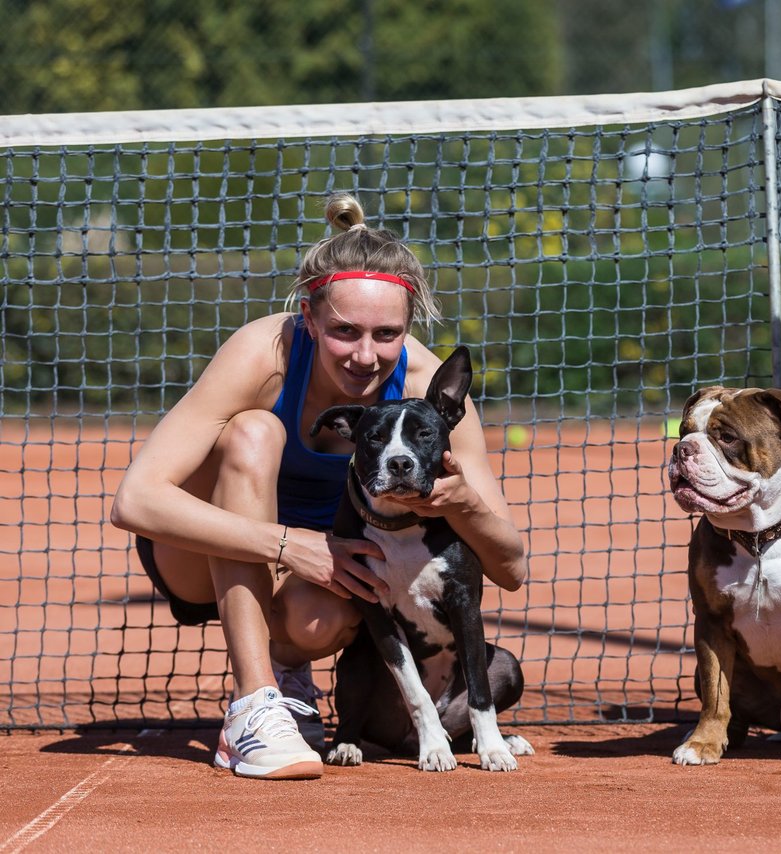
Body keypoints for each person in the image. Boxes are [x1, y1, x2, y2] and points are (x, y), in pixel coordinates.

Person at [111, 194, 529, 780]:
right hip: (201, 555)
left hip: (317, 566)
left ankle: (285, 669)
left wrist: (466, 508)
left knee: (320, 622)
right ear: (309, 318)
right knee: (254, 432)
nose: (365, 355)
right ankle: (255, 710)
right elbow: (135, 500)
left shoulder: (430, 395)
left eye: (387, 333)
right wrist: (286, 543)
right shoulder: (266, 352)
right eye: (343, 331)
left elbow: (510, 567)